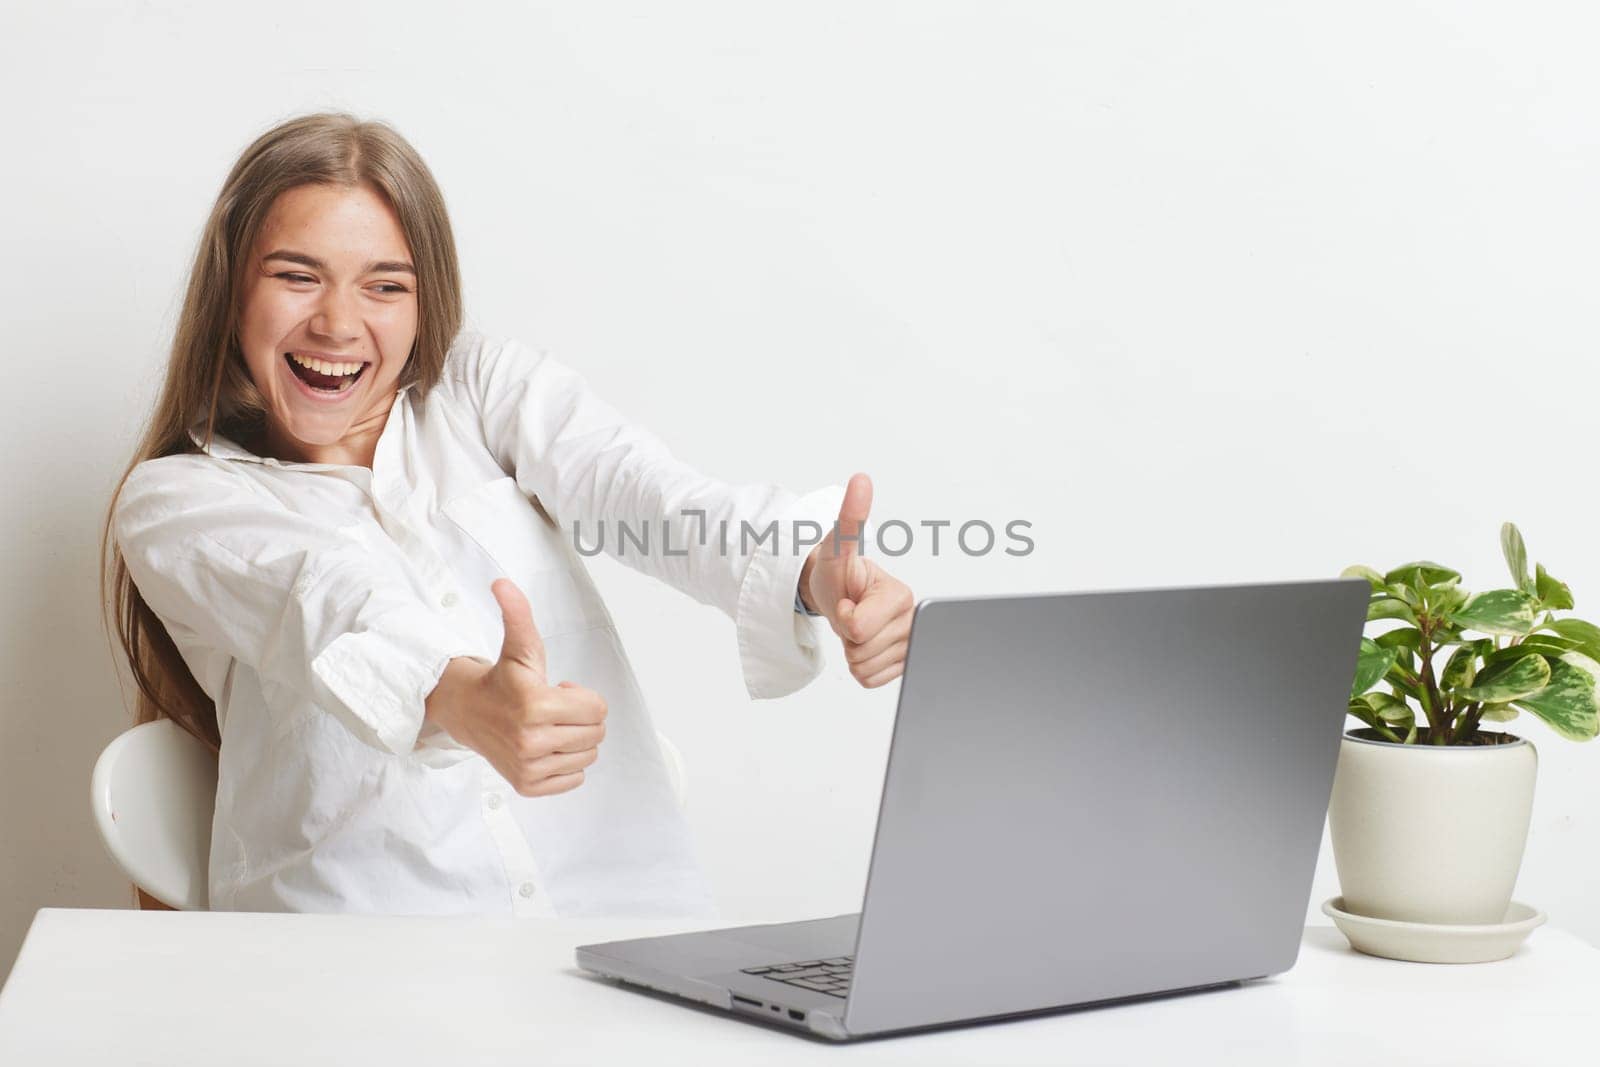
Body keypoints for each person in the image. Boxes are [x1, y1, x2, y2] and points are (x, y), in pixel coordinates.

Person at [99, 112, 915, 917]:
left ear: (426, 302)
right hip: (359, 961)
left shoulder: (480, 390)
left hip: (620, 924)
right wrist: (458, 696)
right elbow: (321, 598)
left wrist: (809, 575)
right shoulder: (179, 500)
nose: (339, 324)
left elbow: (645, 492)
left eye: (386, 285)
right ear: (231, 292)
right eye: (297, 276)